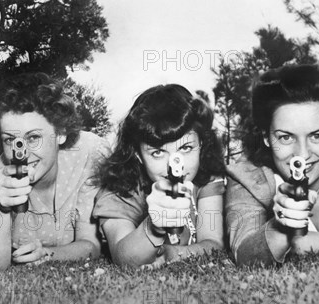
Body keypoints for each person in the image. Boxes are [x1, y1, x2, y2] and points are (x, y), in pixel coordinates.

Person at [0, 73, 108, 270]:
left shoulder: (89, 154)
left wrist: (48, 254)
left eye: (33, 137)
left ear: (61, 133)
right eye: (10, 140)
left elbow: (91, 244)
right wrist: (1, 209)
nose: (21, 153)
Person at [93, 84, 226, 268]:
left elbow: (213, 245)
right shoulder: (118, 188)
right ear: (138, 154)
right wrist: (153, 227)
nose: (173, 166)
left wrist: (170, 254)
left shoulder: (206, 179)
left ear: (201, 143)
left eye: (185, 148)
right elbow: (122, 258)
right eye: (157, 152)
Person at [226, 65, 319, 266]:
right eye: (286, 137)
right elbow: (245, 255)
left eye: (317, 136)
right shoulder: (247, 179)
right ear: (267, 138)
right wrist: (280, 228)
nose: (302, 155)